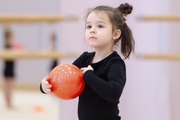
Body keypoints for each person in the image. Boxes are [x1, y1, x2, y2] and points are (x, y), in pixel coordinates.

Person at [40, 3, 135, 120]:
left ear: (115, 34)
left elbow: (113, 93)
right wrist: (46, 86)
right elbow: (65, 80)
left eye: (100, 26)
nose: (92, 30)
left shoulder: (115, 64)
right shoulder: (85, 58)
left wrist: (89, 76)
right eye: (89, 26)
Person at [2, 29, 16, 109]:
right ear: (7, 38)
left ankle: (9, 102)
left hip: (11, 69)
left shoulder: (11, 47)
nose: (12, 39)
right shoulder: (6, 47)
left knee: (10, 87)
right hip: (7, 70)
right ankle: (8, 103)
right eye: (11, 38)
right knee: (8, 87)